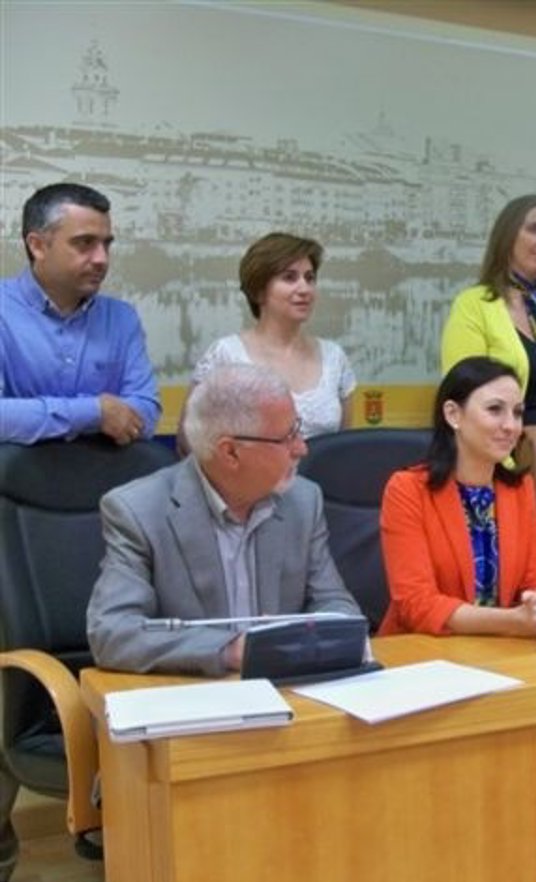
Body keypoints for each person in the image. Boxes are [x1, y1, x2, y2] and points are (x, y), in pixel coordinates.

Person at [86, 363, 360, 675]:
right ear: (230, 453)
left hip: (286, 690)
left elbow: (337, 608)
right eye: (287, 437)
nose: (302, 448)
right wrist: (230, 651)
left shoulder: (303, 501)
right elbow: (113, 633)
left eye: (297, 429)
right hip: (191, 691)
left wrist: (318, 638)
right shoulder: (139, 511)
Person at [378, 356, 536, 638]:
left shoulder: (519, 489)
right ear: (453, 414)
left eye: (518, 413)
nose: (511, 426)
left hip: (498, 649)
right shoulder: (407, 489)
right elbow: (417, 604)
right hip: (422, 650)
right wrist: (515, 621)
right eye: (495, 410)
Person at [0, 182, 160, 445]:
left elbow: (146, 415)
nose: (102, 259)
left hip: (104, 470)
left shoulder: (121, 318)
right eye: (85, 243)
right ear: (37, 246)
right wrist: (96, 413)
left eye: (106, 244)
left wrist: (36, 419)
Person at [187, 232, 355, 444]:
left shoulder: (334, 357)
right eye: (289, 277)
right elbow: (191, 445)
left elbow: (342, 448)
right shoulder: (225, 355)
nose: (304, 289)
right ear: (258, 291)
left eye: (309, 278)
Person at [441, 195, 536, 424]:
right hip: (502, 443)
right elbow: (464, 399)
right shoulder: (473, 305)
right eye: (534, 229)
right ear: (507, 236)